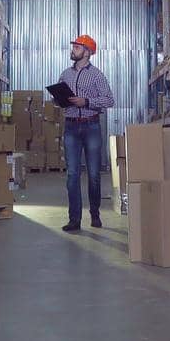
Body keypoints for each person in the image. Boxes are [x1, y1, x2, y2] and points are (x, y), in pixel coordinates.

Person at [59, 34, 115, 233]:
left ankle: (95, 214)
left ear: (88, 52)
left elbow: (109, 100)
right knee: (72, 174)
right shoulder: (65, 74)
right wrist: (59, 100)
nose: (73, 49)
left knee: (93, 174)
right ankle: (74, 219)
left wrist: (87, 102)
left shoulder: (97, 75)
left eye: (77, 47)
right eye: (73, 46)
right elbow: (61, 96)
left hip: (91, 126)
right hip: (71, 127)